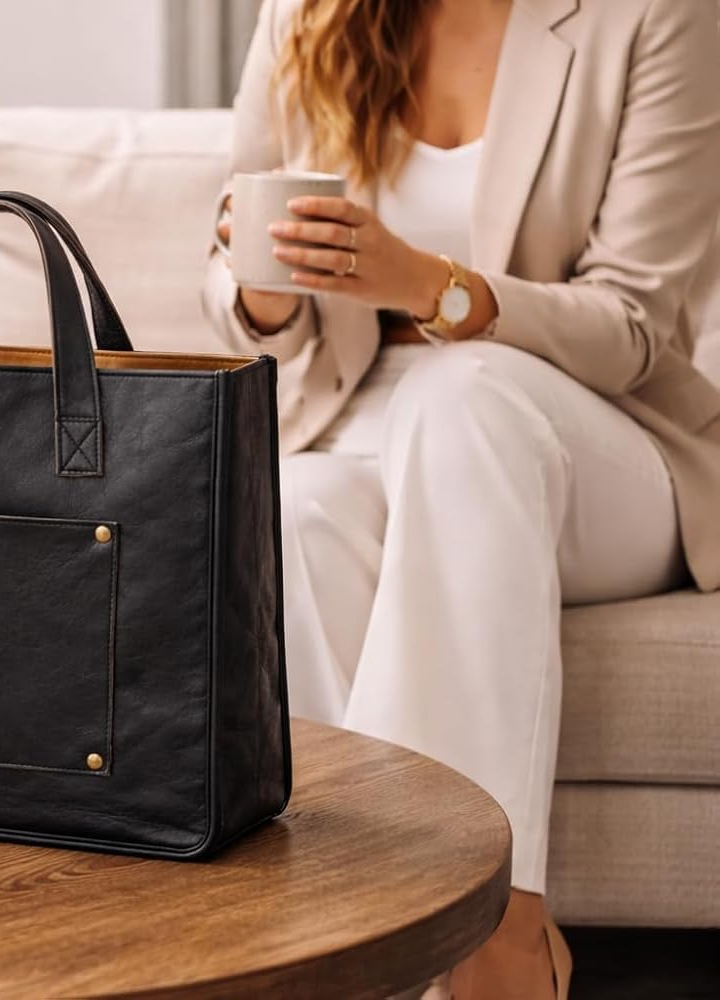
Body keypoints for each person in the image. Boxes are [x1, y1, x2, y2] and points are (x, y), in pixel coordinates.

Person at [204, 0, 720, 996]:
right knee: (296, 508)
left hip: (599, 435)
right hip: (363, 419)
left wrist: (431, 286)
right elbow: (236, 293)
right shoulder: (307, 15)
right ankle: (357, 952)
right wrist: (261, 294)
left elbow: (633, 327)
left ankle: (494, 931)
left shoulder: (654, 16)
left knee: (460, 401)